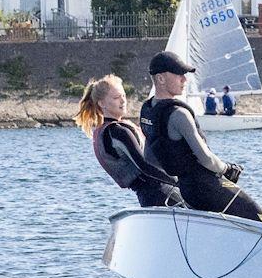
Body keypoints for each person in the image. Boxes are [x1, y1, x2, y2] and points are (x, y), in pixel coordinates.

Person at [140, 51, 262, 224]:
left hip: (187, 190)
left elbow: (150, 159)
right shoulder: (179, 114)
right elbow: (206, 159)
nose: (184, 80)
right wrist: (228, 169)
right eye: (179, 75)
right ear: (161, 79)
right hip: (207, 186)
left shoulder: (147, 110)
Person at [74, 74, 184, 208]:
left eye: (124, 96)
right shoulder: (116, 131)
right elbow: (144, 165)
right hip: (160, 193)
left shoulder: (109, 130)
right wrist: (181, 182)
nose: (122, 101)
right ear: (101, 103)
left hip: (150, 196)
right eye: (116, 98)